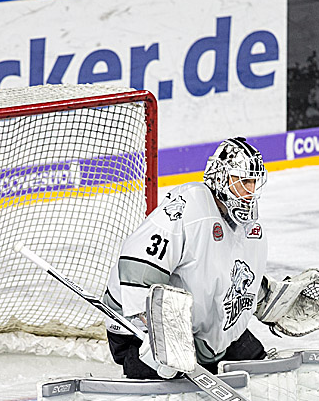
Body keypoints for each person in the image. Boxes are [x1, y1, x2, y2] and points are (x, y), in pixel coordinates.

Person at [102, 136, 271, 378]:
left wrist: (269, 298)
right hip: (140, 330)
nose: (250, 191)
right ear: (221, 178)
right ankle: (146, 372)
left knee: (260, 369)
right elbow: (136, 268)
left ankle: (205, 355)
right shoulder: (189, 206)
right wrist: (165, 336)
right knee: (165, 372)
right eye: (242, 181)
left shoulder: (248, 226)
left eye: (253, 182)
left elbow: (231, 280)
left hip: (198, 331)